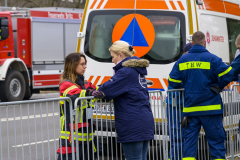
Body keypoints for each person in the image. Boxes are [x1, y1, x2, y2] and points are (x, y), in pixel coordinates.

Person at [168, 31, 234, 160]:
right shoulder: (213, 59)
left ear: (192, 43)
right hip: (211, 108)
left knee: (189, 143)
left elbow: (173, 81)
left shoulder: (182, 60)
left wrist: (186, 85)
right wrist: (218, 86)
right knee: (216, 142)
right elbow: (229, 73)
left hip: (191, 110)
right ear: (204, 42)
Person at [98, 40, 154, 160]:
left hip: (132, 123)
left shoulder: (125, 72)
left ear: (121, 55)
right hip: (143, 121)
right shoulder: (137, 71)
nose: (112, 60)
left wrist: (94, 90)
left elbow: (106, 90)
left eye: (113, 57)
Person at [57, 52, 105, 160]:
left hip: (87, 137)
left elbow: (98, 90)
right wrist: (90, 93)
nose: (85, 66)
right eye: (82, 64)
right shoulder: (65, 84)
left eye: (85, 63)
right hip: (71, 139)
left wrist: (109, 88)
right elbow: (76, 94)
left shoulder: (85, 83)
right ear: (73, 65)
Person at [167, 42, 192, 160]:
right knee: (178, 139)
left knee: (184, 139)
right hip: (176, 105)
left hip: (182, 104)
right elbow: (175, 82)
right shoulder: (182, 63)